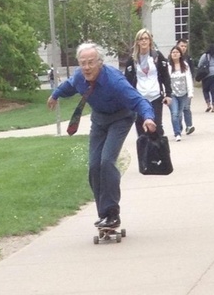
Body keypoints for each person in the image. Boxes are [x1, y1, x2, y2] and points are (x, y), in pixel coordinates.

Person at [47, 43, 156, 229]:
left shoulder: (114, 81)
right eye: (83, 63)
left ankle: (113, 212)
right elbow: (69, 86)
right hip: (99, 121)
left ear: (100, 63)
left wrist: (148, 117)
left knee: (107, 162)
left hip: (121, 119)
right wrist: (55, 95)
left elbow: (138, 100)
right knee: (94, 166)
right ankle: (104, 214)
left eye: (91, 62)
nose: (87, 67)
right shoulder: (80, 77)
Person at [125, 28, 172, 137]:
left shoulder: (157, 56)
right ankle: (143, 153)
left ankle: (159, 153)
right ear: (137, 42)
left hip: (155, 97)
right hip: (139, 99)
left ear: (150, 40)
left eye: (146, 38)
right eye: (141, 39)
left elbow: (165, 76)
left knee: (157, 128)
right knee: (142, 130)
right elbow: (127, 81)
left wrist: (168, 94)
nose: (144, 41)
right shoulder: (132, 60)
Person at [167, 46, 194, 141]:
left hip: (183, 94)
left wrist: (190, 93)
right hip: (172, 94)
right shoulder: (168, 66)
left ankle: (179, 126)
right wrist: (165, 94)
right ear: (171, 54)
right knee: (174, 114)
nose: (175, 54)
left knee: (179, 114)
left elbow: (189, 79)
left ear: (180, 54)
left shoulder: (185, 65)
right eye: (173, 52)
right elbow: (165, 81)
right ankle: (177, 133)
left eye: (177, 52)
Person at [176, 38, 195, 135]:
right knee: (178, 110)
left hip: (186, 87)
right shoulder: (173, 56)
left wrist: (191, 85)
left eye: (185, 46)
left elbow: (192, 72)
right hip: (176, 88)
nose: (183, 48)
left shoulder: (188, 58)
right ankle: (178, 126)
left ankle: (189, 125)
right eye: (182, 46)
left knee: (186, 107)